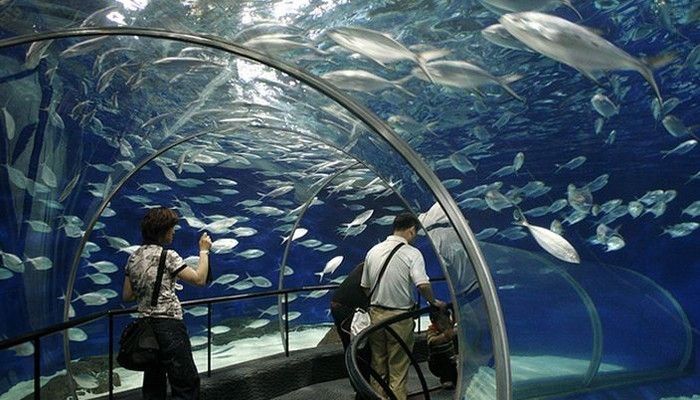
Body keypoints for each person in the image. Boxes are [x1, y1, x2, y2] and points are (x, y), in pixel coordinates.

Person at [122, 207, 212, 400]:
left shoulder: (133, 257)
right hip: (169, 325)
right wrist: (204, 251)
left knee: (154, 386)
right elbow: (199, 279)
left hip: (146, 328)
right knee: (185, 382)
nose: (173, 232)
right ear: (162, 230)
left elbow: (127, 295)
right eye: (171, 228)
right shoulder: (168, 256)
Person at [361, 213, 446, 400]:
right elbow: (422, 284)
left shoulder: (373, 251)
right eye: (415, 232)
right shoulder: (412, 253)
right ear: (411, 230)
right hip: (399, 318)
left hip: (375, 316)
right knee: (398, 368)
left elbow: (365, 287)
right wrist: (433, 302)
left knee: (378, 366)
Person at [330, 262, 372, 399]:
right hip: (347, 311)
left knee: (351, 348)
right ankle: (363, 390)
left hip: (340, 307)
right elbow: (367, 289)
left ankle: (360, 388)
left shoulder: (364, 265)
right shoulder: (371, 267)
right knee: (359, 349)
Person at [426, 307, 458, 389]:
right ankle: (446, 381)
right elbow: (432, 341)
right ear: (434, 322)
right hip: (436, 364)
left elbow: (455, 320)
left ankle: (453, 381)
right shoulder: (432, 330)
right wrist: (444, 336)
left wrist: (454, 310)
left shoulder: (448, 326)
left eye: (447, 321)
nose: (445, 325)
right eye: (442, 323)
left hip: (450, 361)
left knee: (453, 372)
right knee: (444, 360)